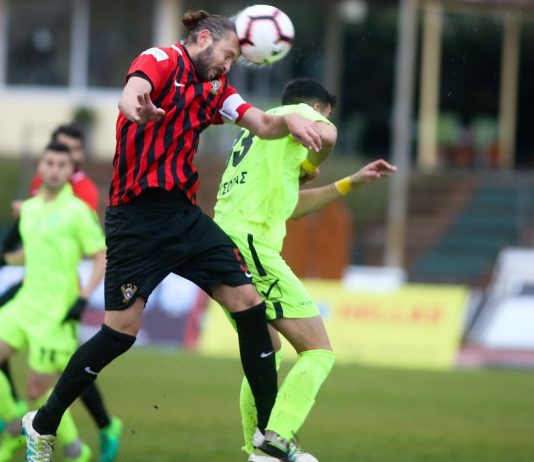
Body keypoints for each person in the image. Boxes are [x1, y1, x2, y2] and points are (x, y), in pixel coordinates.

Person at [22, 10, 324, 462]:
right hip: (135, 221)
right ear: (202, 38)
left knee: (249, 303)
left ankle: (268, 439)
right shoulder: (161, 59)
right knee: (120, 334)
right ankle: (42, 424)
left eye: (234, 60)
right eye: (226, 55)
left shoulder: (217, 88)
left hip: (184, 218)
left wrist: (291, 123)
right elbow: (132, 92)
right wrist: (136, 107)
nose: (227, 65)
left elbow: (261, 123)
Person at [213, 77, 396, 461]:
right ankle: (278, 437)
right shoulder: (300, 114)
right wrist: (313, 160)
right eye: (324, 114)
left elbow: (291, 207)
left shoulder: (261, 136)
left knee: (267, 351)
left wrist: (349, 184)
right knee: (318, 351)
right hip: (250, 243)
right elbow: (328, 137)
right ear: (316, 108)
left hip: (221, 243)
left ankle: (259, 451)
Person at [0, 125, 122, 462]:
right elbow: (33, 251)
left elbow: (101, 255)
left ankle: (75, 450)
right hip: (26, 301)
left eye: (61, 165)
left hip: (56, 311)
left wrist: (83, 297)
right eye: (49, 163)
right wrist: (7, 259)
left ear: (70, 171)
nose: (54, 169)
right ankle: (12, 426)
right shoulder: (29, 209)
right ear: (40, 167)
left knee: (37, 389)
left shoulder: (77, 212)